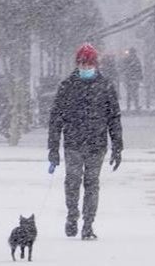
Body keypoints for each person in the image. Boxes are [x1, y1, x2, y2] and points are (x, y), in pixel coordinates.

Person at [47, 43, 123, 240]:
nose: (86, 68)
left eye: (89, 64)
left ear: (95, 65)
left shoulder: (105, 87)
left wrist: (117, 147)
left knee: (92, 183)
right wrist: (53, 148)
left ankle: (88, 223)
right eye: (82, 64)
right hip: (73, 142)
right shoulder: (67, 86)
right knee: (72, 181)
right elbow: (56, 118)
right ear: (77, 64)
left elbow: (114, 118)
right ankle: (72, 215)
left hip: (97, 144)